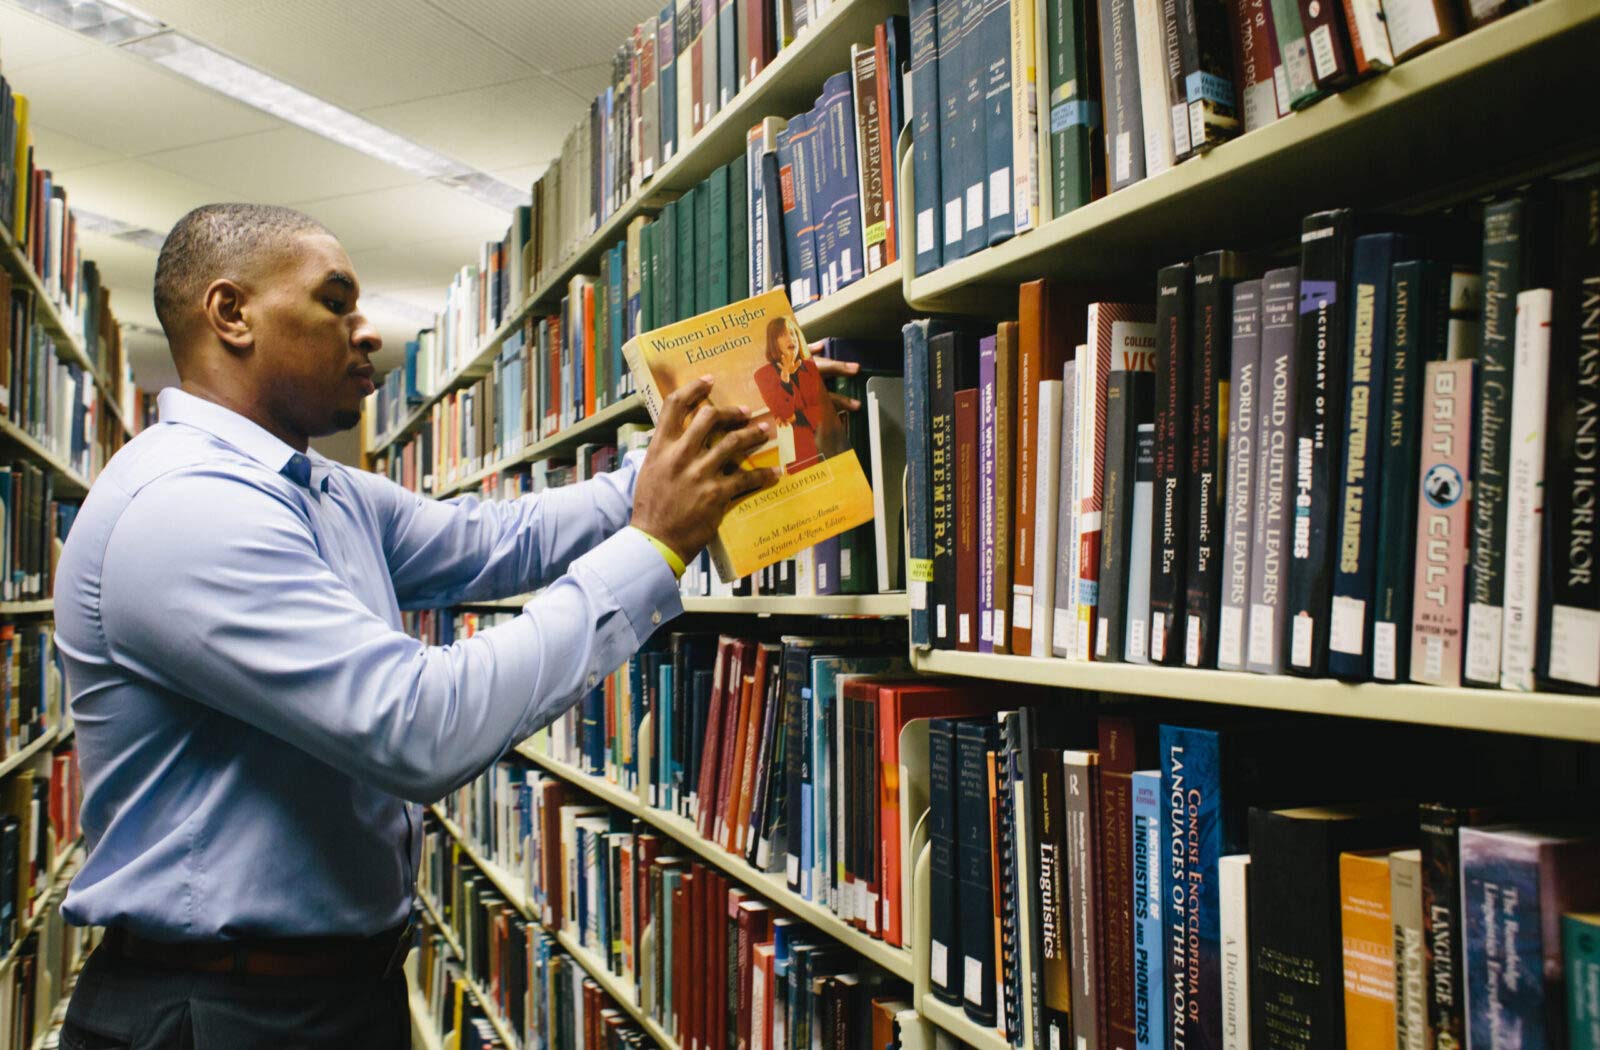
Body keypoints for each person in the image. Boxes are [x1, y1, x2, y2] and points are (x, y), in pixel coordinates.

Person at [50, 203, 857, 1050]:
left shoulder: (315, 488)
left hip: (331, 991)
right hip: (216, 1013)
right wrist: (654, 544)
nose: (366, 334)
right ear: (231, 313)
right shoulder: (186, 508)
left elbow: (499, 542)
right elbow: (421, 726)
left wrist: (713, 440)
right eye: (335, 302)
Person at [751, 317, 845, 474]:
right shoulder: (763, 375)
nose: (790, 338)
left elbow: (822, 412)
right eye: (782, 335)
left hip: (831, 445)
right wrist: (786, 382)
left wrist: (798, 416)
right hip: (800, 453)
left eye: (793, 333)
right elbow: (783, 414)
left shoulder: (809, 367)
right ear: (773, 341)